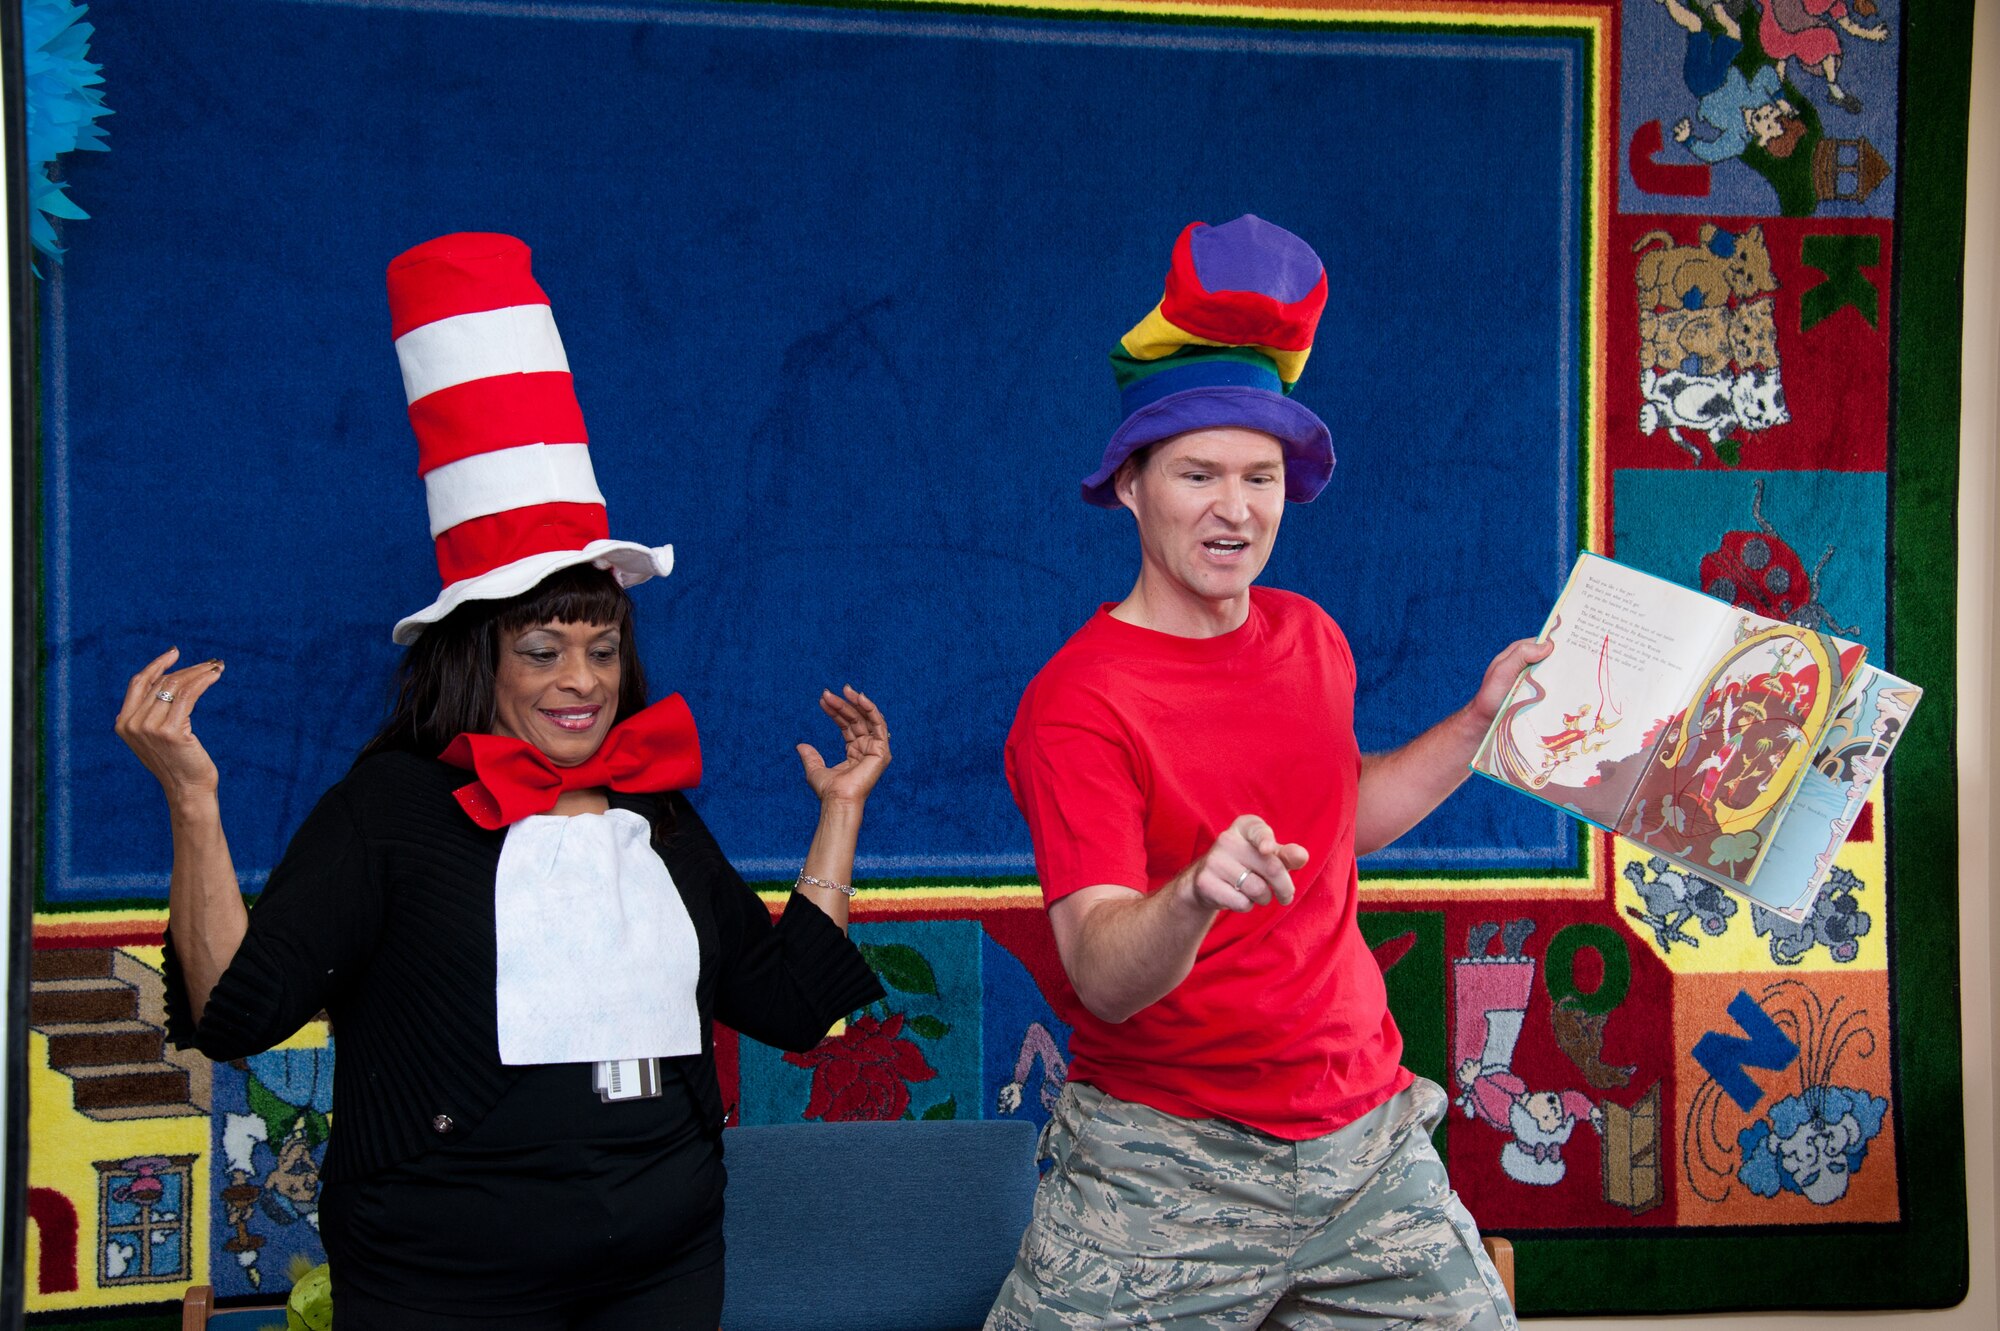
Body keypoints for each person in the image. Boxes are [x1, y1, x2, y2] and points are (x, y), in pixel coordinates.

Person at [116, 233, 888, 1330]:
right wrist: (194, 801)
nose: (582, 682)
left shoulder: (650, 812)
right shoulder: (388, 810)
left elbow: (787, 1005)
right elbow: (238, 1011)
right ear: (473, 658)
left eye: (602, 647)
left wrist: (839, 816)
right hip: (444, 1280)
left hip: (664, 1266)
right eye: (542, 649)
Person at [987, 216, 1543, 1330]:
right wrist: (1194, 889)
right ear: (1131, 488)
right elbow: (1099, 967)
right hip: (1165, 1154)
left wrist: (1476, 722)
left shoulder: (1309, 635)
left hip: (1361, 1136)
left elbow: (1341, 822)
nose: (1234, 508)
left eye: (1259, 476)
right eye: (1197, 473)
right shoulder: (1074, 703)